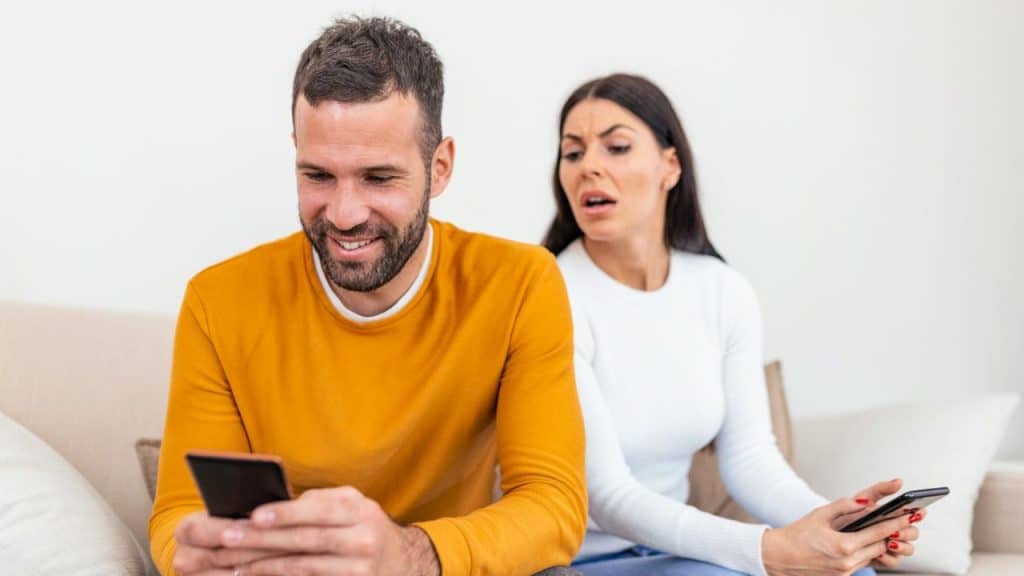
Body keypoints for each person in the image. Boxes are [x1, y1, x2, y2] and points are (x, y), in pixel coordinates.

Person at [149, 16, 587, 576]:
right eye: (318, 176)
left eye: (378, 178)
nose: (345, 213)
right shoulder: (218, 301)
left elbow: (554, 506)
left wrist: (409, 554)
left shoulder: (521, 283)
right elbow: (179, 512)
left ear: (440, 166)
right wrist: (192, 554)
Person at [544, 73, 925, 576]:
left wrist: (839, 526)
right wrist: (770, 549)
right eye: (573, 153)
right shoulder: (548, 293)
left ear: (670, 166)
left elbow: (750, 460)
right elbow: (607, 496)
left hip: (676, 554)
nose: (589, 167)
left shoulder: (720, 291)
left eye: (615, 147)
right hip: (579, 560)